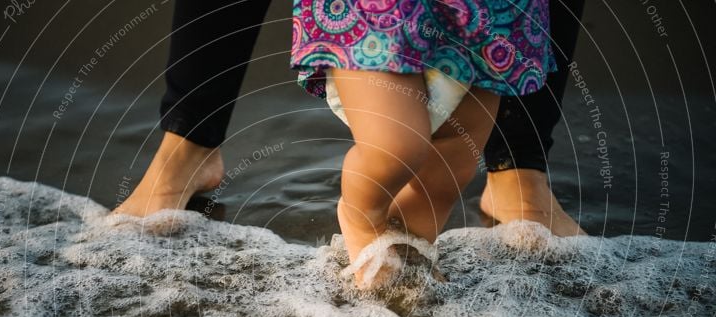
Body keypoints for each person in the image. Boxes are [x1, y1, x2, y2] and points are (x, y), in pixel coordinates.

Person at [113, 0, 585, 241]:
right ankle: (362, 230)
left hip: (493, 19)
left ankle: (509, 179)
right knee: (393, 146)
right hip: (379, 16)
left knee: (445, 174)